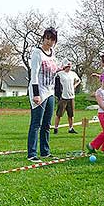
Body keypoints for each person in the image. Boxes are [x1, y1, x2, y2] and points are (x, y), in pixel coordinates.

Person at [27, 27, 61, 162]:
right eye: (47, 38)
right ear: (43, 38)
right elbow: (34, 74)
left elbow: (52, 71)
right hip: (39, 92)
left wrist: (61, 69)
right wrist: (36, 94)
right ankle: (32, 153)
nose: (49, 41)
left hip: (50, 92)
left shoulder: (52, 53)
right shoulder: (37, 53)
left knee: (47, 124)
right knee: (36, 123)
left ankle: (45, 152)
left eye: (52, 39)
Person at [86, 72, 104, 155]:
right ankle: (92, 145)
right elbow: (100, 103)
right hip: (103, 113)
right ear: (102, 81)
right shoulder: (98, 92)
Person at [53, 61, 81, 134]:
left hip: (71, 97)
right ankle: (56, 128)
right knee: (59, 114)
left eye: (70, 66)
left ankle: (71, 128)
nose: (69, 68)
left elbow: (78, 80)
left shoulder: (73, 74)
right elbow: (55, 80)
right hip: (63, 97)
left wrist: (75, 85)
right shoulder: (60, 74)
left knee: (71, 115)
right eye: (67, 66)